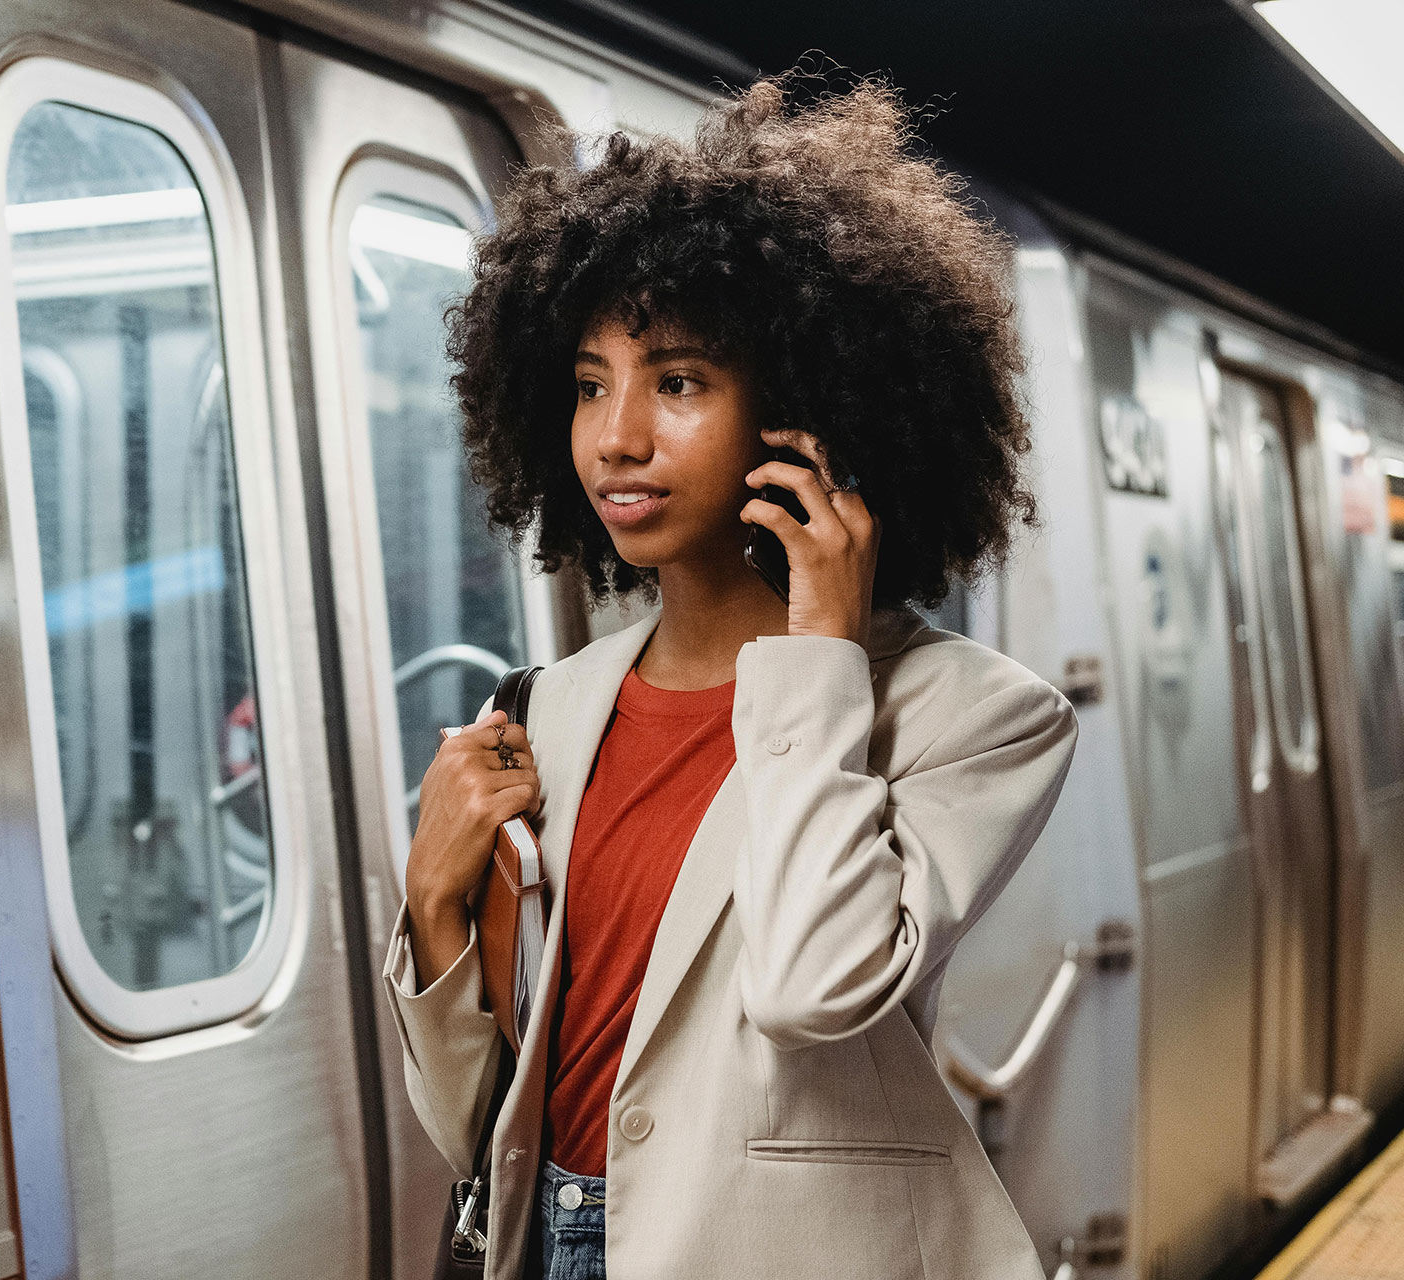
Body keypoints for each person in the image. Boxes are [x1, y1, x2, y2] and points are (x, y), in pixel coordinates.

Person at [379, 73, 1079, 1280]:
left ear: (809, 411)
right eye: (591, 382)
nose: (617, 435)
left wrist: (818, 658)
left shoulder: (978, 717)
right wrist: (436, 904)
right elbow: (476, 1132)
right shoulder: (551, 704)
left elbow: (817, 987)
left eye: (680, 380)